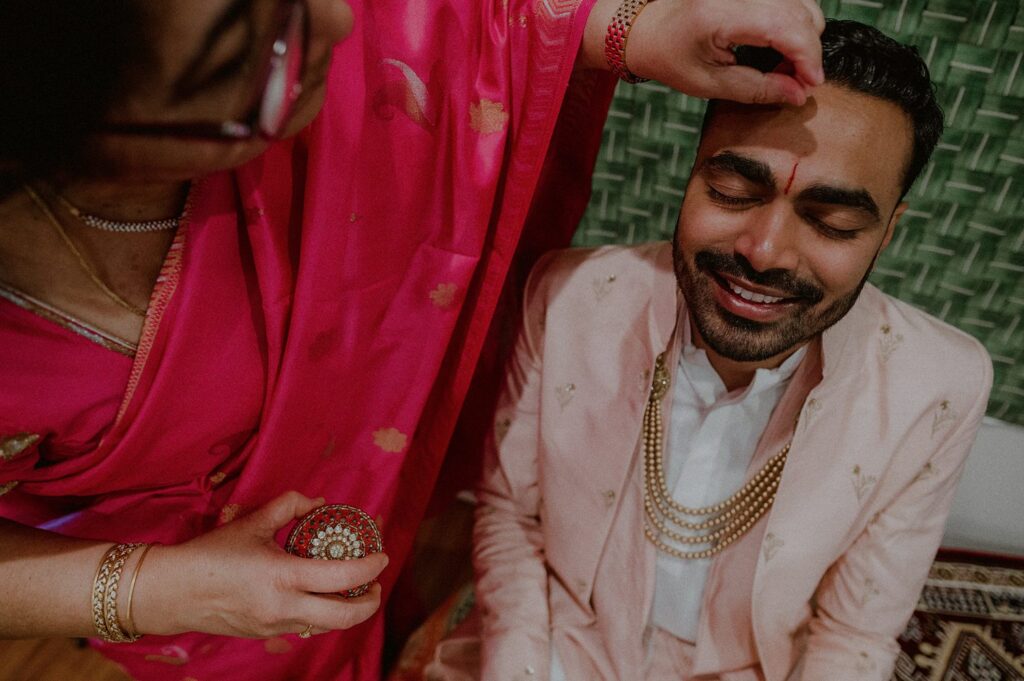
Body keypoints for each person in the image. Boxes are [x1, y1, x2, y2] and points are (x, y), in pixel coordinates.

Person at [0, 0, 827, 679]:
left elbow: (442, 23)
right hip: (210, 593)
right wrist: (151, 588)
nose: (334, 23)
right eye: (254, 53)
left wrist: (628, 29)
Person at [469, 19, 994, 681]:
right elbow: (510, 514)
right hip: (562, 649)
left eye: (831, 221)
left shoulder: (938, 385)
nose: (763, 249)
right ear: (691, 173)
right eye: (732, 191)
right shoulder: (572, 296)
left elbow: (853, 636)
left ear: (888, 233)